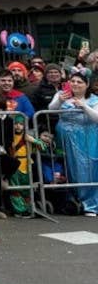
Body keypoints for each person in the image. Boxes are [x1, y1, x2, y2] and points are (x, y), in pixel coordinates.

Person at [47, 69, 98, 217]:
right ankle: (72, 200)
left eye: (79, 82)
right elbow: (51, 109)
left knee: (88, 170)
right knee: (67, 169)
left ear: (87, 85)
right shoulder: (61, 95)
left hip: (88, 139)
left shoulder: (94, 100)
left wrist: (84, 107)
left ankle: (90, 204)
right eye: (73, 81)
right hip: (64, 138)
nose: (75, 84)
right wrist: (60, 100)